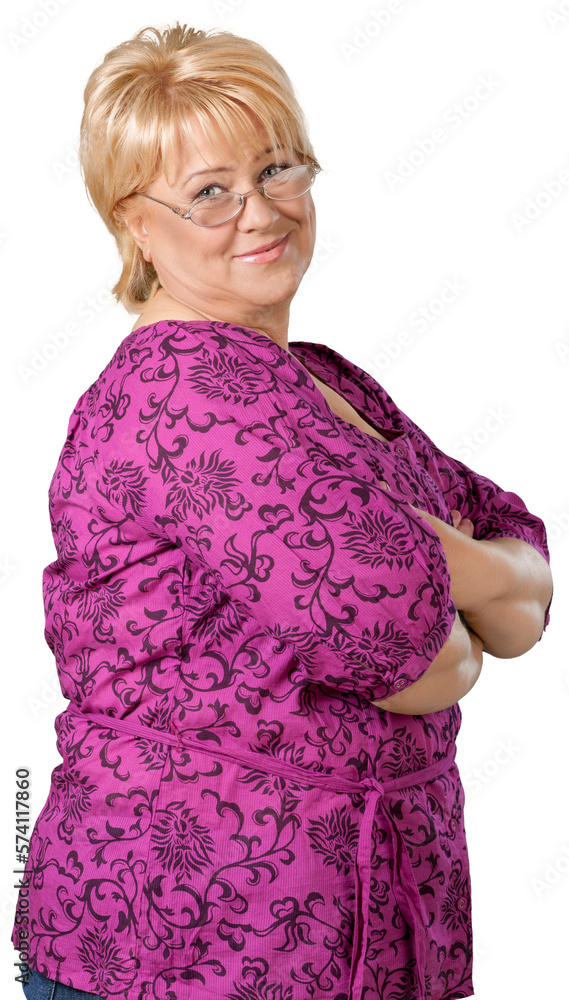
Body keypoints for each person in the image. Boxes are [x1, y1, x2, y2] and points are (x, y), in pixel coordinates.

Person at [12, 22, 552, 1000]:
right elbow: (414, 648)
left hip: (359, 937)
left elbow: (522, 573)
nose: (259, 212)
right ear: (135, 222)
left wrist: (439, 562)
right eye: (209, 191)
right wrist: (462, 586)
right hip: (191, 951)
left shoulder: (322, 379)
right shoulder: (182, 392)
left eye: (276, 169)